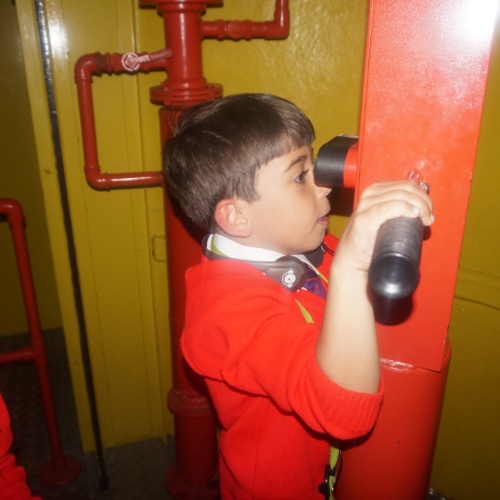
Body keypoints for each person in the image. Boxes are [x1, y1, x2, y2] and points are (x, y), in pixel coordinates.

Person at [163, 93, 434, 499]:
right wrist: (352, 270)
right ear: (236, 216)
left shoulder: (303, 249)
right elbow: (347, 413)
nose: (323, 186)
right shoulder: (224, 311)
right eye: (299, 177)